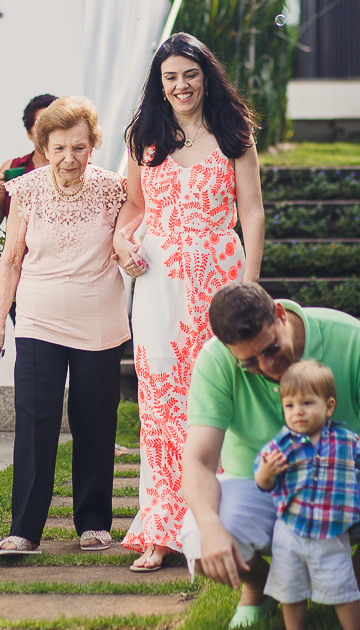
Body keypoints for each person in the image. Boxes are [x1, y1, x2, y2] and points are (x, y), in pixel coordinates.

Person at [178, 282, 360, 629]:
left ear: (280, 315)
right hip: (259, 488)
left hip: (343, 479)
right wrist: (211, 527)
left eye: (271, 350)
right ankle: (261, 589)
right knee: (196, 536)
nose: (266, 367)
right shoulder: (215, 361)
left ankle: (353, 583)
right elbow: (198, 461)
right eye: (249, 362)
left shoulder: (351, 338)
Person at [113, 33, 266, 572]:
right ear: (160, 83)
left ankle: (220, 524)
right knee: (160, 405)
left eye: (190, 74)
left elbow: (251, 213)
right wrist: (119, 240)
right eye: (170, 77)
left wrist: (249, 287)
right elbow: (133, 207)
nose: (180, 85)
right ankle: (159, 527)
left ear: (206, 76)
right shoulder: (144, 137)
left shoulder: (233, 133)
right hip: (157, 288)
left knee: (219, 396)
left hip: (218, 283)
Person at [0, 96, 129, 555]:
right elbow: (10, 262)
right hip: (37, 318)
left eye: (80, 148)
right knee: (34, 421)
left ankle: (93, 522)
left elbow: (131, 235)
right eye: (60, 148)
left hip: (99, 319)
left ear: (93, 146)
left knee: (96, 421)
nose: (70, 159)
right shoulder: (24, 189)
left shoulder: (114, 189)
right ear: (43, 146)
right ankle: (24, 529)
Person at [255, 360, 360, 630]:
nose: (298, 412)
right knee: (290, 587)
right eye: (290, 405)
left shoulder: (344, 439)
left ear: (328, 406)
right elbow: (263, 482)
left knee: (342, 585)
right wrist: (265, 473)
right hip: (291, 531)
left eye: (307, 403)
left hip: (332, 532)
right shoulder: (280, 446)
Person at [0, 94, 58, 225]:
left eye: (54, 124)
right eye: (40, 124)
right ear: (29, 133)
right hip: (19, 245)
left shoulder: (77, 167)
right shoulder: (13, 167)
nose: (47, 130)